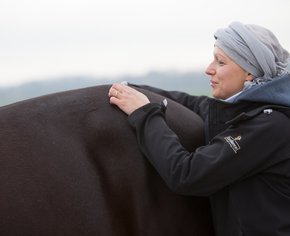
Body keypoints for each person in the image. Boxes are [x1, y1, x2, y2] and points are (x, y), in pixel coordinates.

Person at [108, 21, 290, 236]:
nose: (208, 69)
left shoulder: (271, 126)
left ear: (250, 73)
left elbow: (186, 174)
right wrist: (132, 89)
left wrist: (145, 114)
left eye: (220, 62)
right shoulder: (244, 110)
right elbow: (191, 103)